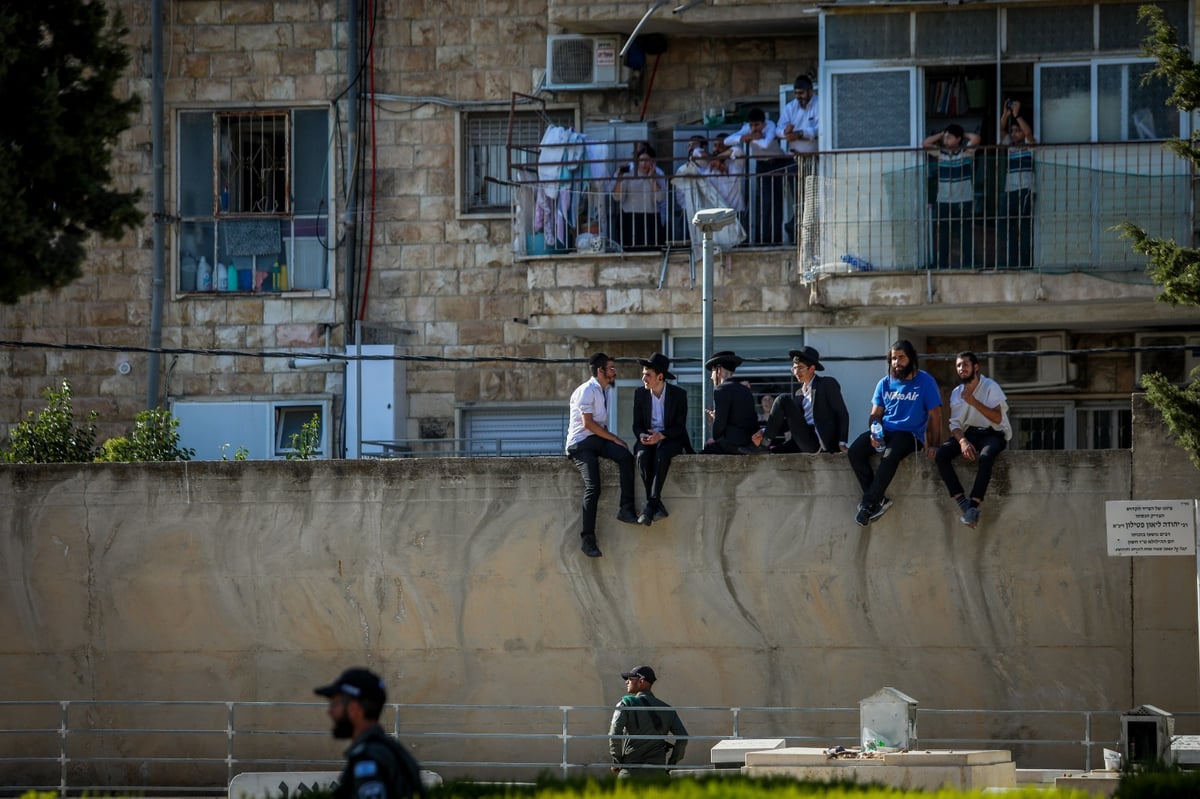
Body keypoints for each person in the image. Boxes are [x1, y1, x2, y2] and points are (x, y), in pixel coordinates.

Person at [847, 340, 943, 527]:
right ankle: (878, 500)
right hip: (886, 431)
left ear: (911, 358)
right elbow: (875, 414)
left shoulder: (926, 381)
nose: (897, 362)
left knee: (890, 456)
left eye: (901, 358)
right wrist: (875, 432)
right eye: (893, 359)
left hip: (910, 435)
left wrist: (934, 444)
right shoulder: (884, 383)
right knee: (855, 451)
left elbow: (935, 415)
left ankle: (867, 505)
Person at [566, 353, 639, 558]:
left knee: (625, 456)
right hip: (580, 444)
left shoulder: (604, 391)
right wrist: (614, 438)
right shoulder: (586, 390)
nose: (615, 372)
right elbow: (588, 424)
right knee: (593, 486)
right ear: (601, 371)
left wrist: (613, 441)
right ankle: (587, 539)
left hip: (596, 441)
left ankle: (626, 508)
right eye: (611, 368)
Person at [314, 667, 427, 799]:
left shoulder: (369, 757)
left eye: (334, 704)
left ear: (354, 709)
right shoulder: (388, 749)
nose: (330, 711)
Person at [934, 351, 1011, 528]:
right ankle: (964, 504)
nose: (961, 369)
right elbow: (955, 425)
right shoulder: (956, 393)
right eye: (959, 365)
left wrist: (973, 401)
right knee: (942, 454)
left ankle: (974, 504)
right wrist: (962, 442)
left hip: (993, 433)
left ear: (976, 367)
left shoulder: (990, 386)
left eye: (965, 365)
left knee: (985, 457)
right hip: (970, 434)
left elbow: (998, 418)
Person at [632, 352, 694, 525]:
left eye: (648, 375)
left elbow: (679, 427)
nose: (643, 378)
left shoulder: (679, 395)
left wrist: (661, 436)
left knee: (662, 455)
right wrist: (642, 435)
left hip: (670, 438)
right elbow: (636, 425)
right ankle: (655, 504)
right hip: (648, 438)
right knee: (642, 457)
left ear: (660, 377)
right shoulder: (640, 394)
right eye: (643, 374)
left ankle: (650, 505)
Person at [751, 346, 849, 454]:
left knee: (783, 399)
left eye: (800, 368)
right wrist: (764, 430)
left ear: (812, 368)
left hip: (820, 442)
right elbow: (790, 423)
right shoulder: (799, 393)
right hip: (803, 439)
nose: (796, 372)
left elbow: (842, 413)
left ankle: (765, 443)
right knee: (774, 452)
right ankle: (764, 443)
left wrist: (842, 442)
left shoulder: (826, 384)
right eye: (794, 368)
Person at [608, 665, 688, 779]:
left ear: (641, 681)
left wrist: (617, 762)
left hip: (631, 772)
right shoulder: (667, 709)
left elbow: (614, 734)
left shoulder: (626, 703)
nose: (627, 682)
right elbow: (683, 738)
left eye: (630, 679)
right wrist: (671, 765)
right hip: (658, 774)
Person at [724, 107, 788, 245]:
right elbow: (727, 141)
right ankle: (764, 238)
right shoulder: (748, 129)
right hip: (762, 164)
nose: (754, 128)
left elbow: (766, 144)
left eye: (757, 125)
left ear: (763, 122)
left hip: (778, 163)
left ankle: (776, 237)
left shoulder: (770, 125)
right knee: (765, 201)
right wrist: (747, 136)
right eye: (752, 125)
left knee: (777, 202)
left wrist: (750, 139)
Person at [923, 124, 981, 269]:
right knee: (943, 234)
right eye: (945, 138)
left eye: (949, 137)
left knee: (965, 233)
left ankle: (969, 263)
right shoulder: (941, 154)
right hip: (944, 200)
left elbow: (976, 138)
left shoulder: (966, 153)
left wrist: (962, 132)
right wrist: (942, 132)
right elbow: (925, 144)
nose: (945, 140)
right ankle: (941, 264)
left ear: (958, 139)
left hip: (963, 199)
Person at [777, 75, 819, 243]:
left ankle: (807, 232)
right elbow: (778, 129)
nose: (798, 97)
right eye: (796, 93)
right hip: (794, 159)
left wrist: (800, 134)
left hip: (814, 159)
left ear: (811, 91)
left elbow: (820, 129)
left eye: (801, 93)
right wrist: (786, 132)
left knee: (813, 197)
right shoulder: (791, 107)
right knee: (799, 197)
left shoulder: (819, 104)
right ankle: (797, 231)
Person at [998, 100, 1035, 268]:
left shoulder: (1030, 145)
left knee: (1025, 226)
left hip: (1026, 189)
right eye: (1013, 131)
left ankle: (1026, 262)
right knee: (1011, 226)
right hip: (1010, 189)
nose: (1014, 134)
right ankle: (1012, 261)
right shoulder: (1010, 146)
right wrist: (1006, 114)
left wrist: (1017, 115)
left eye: (1017, 131)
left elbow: (1028, 133)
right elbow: (1001, 130)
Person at [701, 350, 758, 454]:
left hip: (732, 445)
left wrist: (715, 437)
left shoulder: (721, 389)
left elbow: (718, 429)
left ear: (718, 370)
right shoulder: (745, 389)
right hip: (748, 444)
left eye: (712, 372)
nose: (711, 377)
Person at [613, 145, 666, 250]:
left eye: (647, 160)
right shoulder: (628, 174)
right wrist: (619, 180)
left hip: (650, 218)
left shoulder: (658, 175)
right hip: (630, 218)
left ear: (653, 162)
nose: (644, 164)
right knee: (630, 251)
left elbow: (660, 197)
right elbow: (617, 197)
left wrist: (651, 178)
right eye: (641, 160)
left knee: (651, 251)